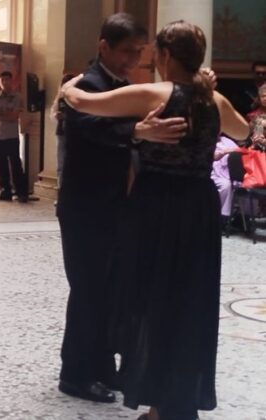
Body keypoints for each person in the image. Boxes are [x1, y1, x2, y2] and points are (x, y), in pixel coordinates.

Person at [62, 20, 249, 420]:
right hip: (199, 211)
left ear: (164, 55)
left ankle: (159, 402)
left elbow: (82, 103)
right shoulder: (214, 100)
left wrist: (67, 88)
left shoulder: (153, 94)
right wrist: (208, 89)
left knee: (151, 302)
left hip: (157, 208)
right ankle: (175, 401)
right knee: (188, 302)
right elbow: (243, 129)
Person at [56, 13, 190, 405]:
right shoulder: (86, 85)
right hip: (84, 205)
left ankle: (100, 365)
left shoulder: (123, 86)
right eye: (128, 52)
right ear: (104, 46)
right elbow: (88, 128)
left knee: (110, 290)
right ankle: (74, 374)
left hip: (115, 204)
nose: (134, 60)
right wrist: (135, 131)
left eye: (139, 52)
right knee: (88, 289)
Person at [0, 70, 28, 202]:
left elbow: (14, 116)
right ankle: (5, 190)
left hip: (12, 136)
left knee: (15, 164)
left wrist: (2, 113)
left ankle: (21, 191)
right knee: (1, 165)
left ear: (12, 81)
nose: (5, 82)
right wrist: (7, 113)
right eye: (2, 80)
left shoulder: (17, 97)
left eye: (7, 80)